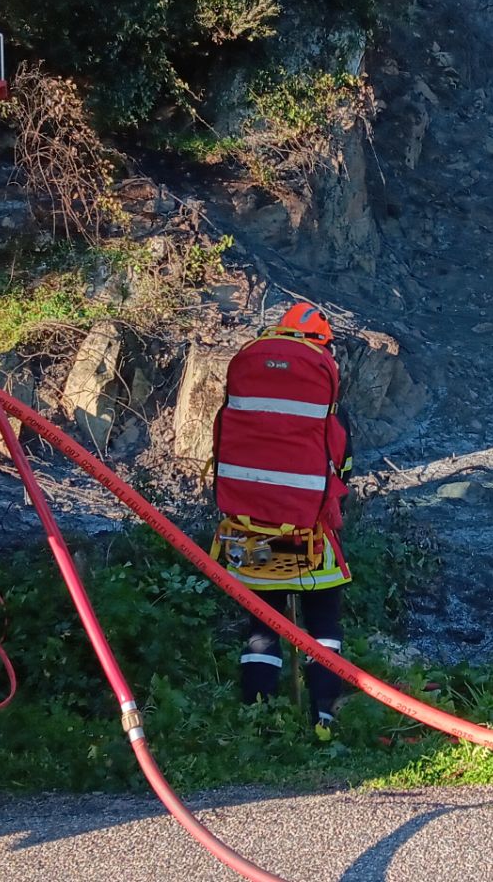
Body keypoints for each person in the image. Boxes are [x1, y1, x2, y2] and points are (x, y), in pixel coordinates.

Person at [209, 302, 355, 736]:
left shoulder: (241, 410)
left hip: (247, 537)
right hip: (309, 541)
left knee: (261, 631)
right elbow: (342, 470)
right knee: (323, 626)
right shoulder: (330, 417)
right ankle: (323, 720)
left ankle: (258, 724)